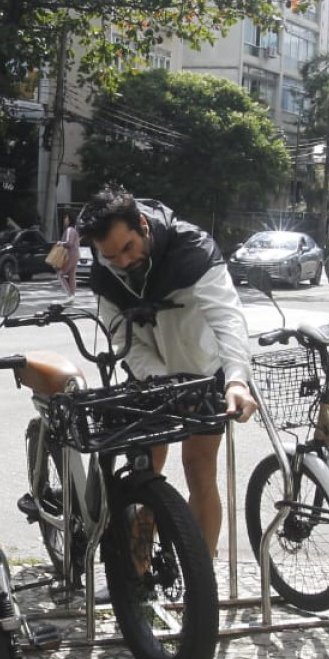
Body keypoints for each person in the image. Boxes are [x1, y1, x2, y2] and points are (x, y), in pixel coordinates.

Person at [78, 185, 257, 556]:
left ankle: (202, 583)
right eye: (111, 256)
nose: (123, 262)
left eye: (128, 248)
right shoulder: (106, 266)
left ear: (143, 225)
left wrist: (237, 379)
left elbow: (228, 319)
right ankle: (138, 582)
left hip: (204, 371)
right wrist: (161, 381)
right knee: (144, 473)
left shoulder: (192, 248)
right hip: (150, 377)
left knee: (199, 468)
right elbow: (117, 333)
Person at [55, 210, 81, 297]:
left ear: (69, 219)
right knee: (72, 275)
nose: (64, 220)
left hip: (70, 255)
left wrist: (60, 243)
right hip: (76, 254)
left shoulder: (69, 230)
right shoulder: (75, 230)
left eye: (66, 218)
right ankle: (72, 295)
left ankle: (69, 295)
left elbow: (69, 243)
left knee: (61, 274)